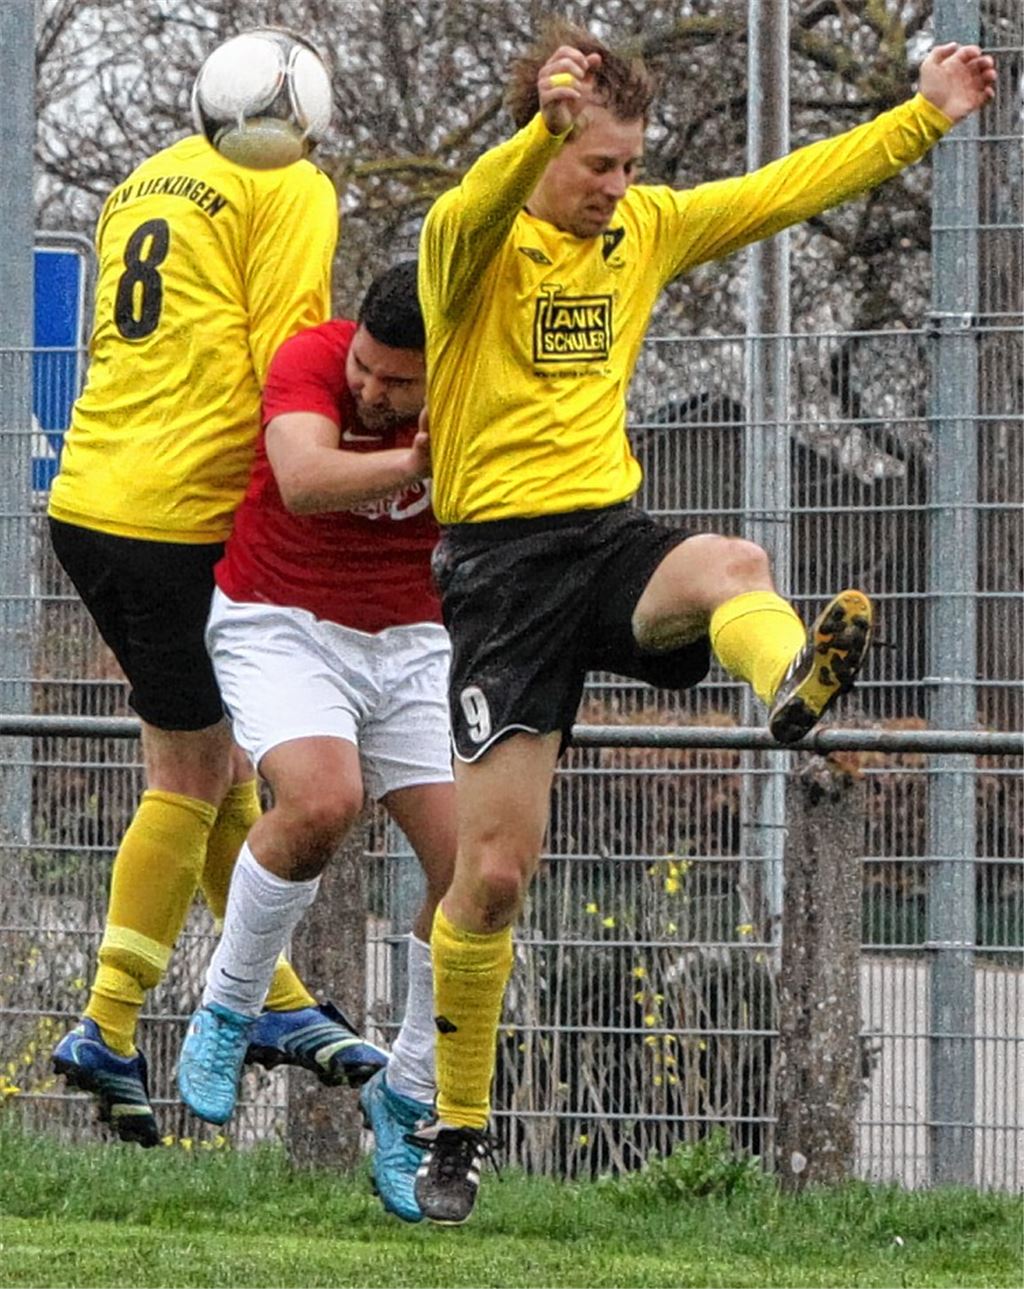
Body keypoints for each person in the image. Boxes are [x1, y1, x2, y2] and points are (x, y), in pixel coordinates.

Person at [408, 20, 998, 1223]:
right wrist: (535, 132)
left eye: (631, 163)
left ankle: (791, 688)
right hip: (500, 576)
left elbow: (782, 189)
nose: (619, 187)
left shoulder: (647, 229)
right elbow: (475, 197)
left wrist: (923, 117)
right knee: (495, 876)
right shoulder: (470, 248)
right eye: (597, 166)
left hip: (608, 538)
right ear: (551, 147)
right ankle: (456, 1125)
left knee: (734, 560)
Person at [48, 29, 386, 1150]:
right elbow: (284, 355)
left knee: (215, 761)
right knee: (191, 773)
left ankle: (277, 1002)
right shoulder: (289, 182)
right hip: (175, 512)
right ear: (308, 118)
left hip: (89, 495)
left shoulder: (146, 180)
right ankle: (105, 1020)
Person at [176, 262, 452, 1224]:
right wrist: (421, 462)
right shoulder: (311, 358)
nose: (372, 391)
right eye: (369, 371)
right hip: (280, 620)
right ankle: (227, 1010)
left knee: (475, 873)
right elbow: (302, 477)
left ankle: (408, 1092)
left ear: (445, 368)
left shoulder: (484, 390)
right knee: (322, 801)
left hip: (416, 643)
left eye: (398, 383)